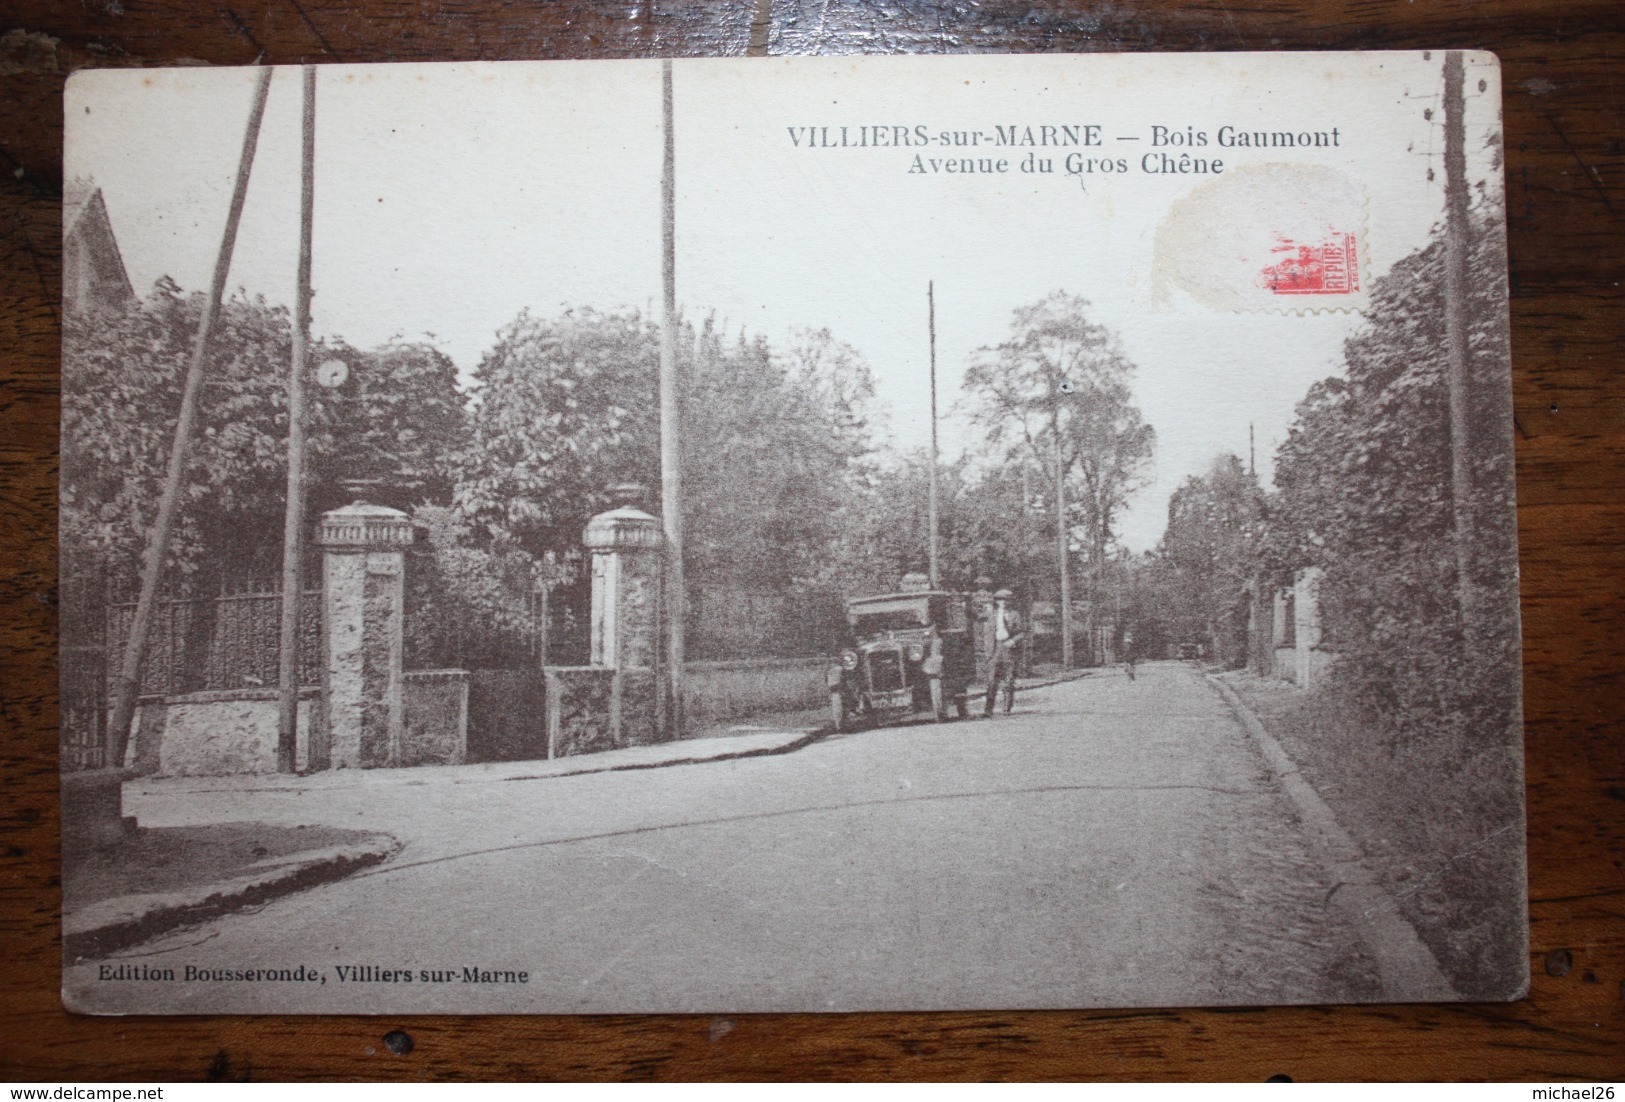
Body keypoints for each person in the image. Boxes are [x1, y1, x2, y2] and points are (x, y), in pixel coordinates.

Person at [984, 588, 1024, 716]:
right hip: (995, 648)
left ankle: (1006, 708)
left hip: (1008, 648)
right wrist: (987, 652)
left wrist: (1013, 641)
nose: (1003, 602)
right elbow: (986, 633)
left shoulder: (1014, 614)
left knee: (1008, 679)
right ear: (996, 601)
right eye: (1000, 599)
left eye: (1005, 599)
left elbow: (1021, 633)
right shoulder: (991, 614)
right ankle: (988, 710)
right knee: (991, 681)